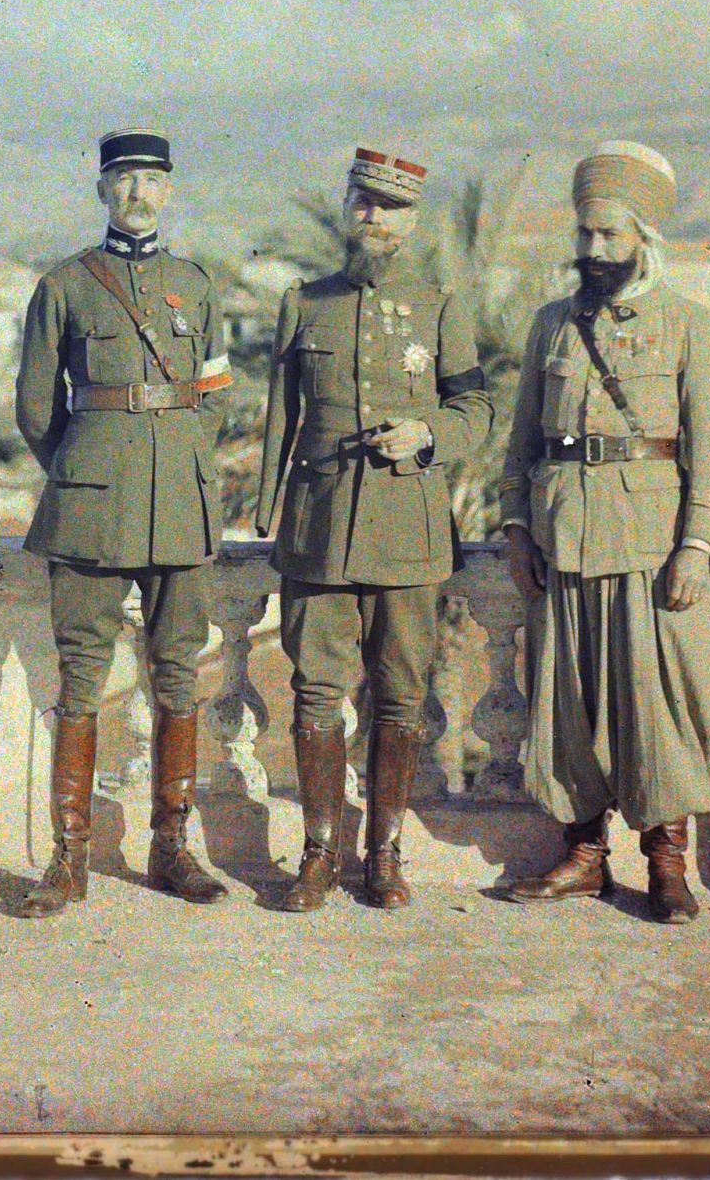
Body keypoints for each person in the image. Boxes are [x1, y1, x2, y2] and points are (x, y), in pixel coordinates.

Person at [496, 141, 710, 924]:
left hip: (650, 545)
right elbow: (522, 440)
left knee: (657, 706)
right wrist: (517, 525)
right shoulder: (550, 326)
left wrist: (696, 544)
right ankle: (584, 854)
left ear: (643, 241)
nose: (594, 251)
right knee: (566, 704)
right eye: (585, 235)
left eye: (612, 237)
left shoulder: (691, 326)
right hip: (563, 539)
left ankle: (667, 860)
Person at [255, 146, 494, 912]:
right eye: (365, 201)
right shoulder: (306, 302)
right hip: (319, 528)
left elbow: (477, 408)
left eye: (391, 207)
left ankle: (383, 854)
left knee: (400, 695)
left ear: (412, 220)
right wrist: (268, 509)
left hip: (406, 528)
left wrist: (427, 433)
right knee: (316, 692)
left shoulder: (439, 306)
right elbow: (279, 419)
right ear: (348, 204)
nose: (375, 217)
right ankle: (319, 853)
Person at [10, 127, 235, 919]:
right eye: (122, 181)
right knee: (79, 680)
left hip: (181, 502)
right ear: (102, 190)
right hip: (90, 508)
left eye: (150, 180)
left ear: (168, 190)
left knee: (177, 674)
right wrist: (84, 475)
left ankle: (171, 849)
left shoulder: (196, 286)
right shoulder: (66, 286)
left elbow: (215, 392)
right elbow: (37, 409)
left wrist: (180, 464)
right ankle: (67, 861)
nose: (137, 194)